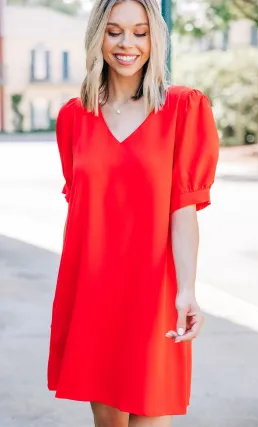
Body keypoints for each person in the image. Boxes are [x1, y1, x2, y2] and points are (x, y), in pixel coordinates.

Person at [47, 0, 219, 426]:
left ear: (155, 39)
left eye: (140, 32)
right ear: (97, 37)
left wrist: (187, 290)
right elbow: (80, 209)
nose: (128, 44)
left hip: (155, 293)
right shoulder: (74, 117)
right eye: (115, 31)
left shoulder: (183, 108)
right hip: (94, 291)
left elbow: (184, 208)